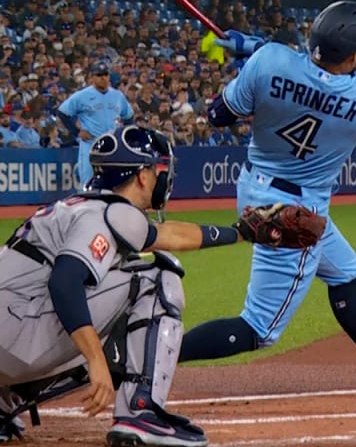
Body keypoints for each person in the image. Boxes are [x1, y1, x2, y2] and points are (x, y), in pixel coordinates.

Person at [178, 1, 356, 402]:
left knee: (343, 270)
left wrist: (251, 58)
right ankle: (153, 355)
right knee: (258, 329)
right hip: (297, 216)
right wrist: (258, 52)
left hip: (256, 189)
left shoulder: (270, 61)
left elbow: (219, 114)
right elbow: (305, 72)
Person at [0, 126, 257, 447]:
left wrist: (242, 232)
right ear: (142, 176)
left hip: (8, 333)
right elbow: (65, 282)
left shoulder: (82, 206)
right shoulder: (109, 213)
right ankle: (140, 411)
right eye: (158, 169)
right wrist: (95, 358)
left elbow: (169, 235)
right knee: (155, 280)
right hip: (18, 336)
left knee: (107, 297)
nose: (163, 176)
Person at [57, 62, 133, 190]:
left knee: (114, 186)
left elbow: (129, 116)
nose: (103, 78)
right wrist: (77, 132)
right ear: (92, 77)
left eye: (105, 75)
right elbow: (62, 112)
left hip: (112, 146)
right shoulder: (82, 95)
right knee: (88, 185)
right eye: (99, 75)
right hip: (91, 144)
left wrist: (125, 136)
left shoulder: (117, 96)